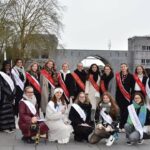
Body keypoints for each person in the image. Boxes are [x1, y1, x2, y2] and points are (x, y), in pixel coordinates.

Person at [115, 63, 135, 132]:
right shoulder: (118, 76)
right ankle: (120, 126)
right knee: (120, 111)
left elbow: (133, 87)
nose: (123, 68)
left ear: (127, 67)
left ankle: (123, 126)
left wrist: (132, 97)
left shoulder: (131, 76)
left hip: (127, 97)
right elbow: (116, 86)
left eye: (124, 67)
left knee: (126, 111)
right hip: (119, 96)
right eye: (121, 67)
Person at [0, 60, 16, 133]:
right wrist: (9, 93)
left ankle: (10, 127)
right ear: (3, 66)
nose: (8, 67)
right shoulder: (1, 74)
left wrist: (13, 93)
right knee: (5, 112)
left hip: (11, 96)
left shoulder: (11, 74)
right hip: (4, 96)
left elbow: (14, 84)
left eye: (9, 66)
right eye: (6, 65)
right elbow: (2, 86)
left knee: (10, 111)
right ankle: (4, 127)